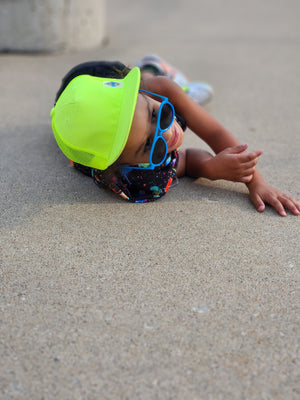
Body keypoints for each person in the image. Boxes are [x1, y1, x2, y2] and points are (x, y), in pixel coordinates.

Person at [51, 57, 300, 216]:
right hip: (90, 111)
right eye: (151, 145)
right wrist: (211, 168)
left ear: (139, 94)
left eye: (154, 115)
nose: (166, 132)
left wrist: (256, 181)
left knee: (165, 86)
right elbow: (187, 161)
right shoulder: (130, 175)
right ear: (126, 166)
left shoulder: (156, 92)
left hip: (104, 75)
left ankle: (157, 68)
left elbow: (213, 131)